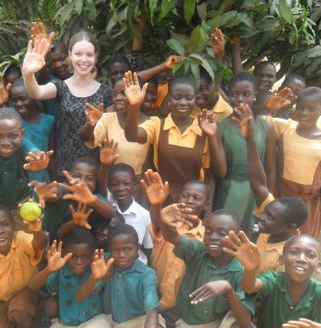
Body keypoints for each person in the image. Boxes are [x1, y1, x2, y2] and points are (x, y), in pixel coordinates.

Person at [79, 224, 167, 328]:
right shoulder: (106, 263)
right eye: (115, 250)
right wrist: (99, 274)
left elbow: (152, 312)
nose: (121, 255)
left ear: (138, 248)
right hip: (116, 324)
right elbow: (87, 292)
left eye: (128, 249)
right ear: (108, 250)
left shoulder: (147, 274)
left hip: (142, 319)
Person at [22, 29, 114, 179]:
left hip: (95, 169)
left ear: (95, 58)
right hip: (66, 167)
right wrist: (27, 73)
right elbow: (36, 92)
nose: (84, 60)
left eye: (89, 55)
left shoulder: (106, 92)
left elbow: (111, 134)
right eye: (78, 54)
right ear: (70, 56)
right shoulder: (61, 87)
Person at [25, 231, 112, 328]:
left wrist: (95, 278)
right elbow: (32, 286)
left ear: (92, 254)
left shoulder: (98, 267)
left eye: (84, 257)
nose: (79, 262)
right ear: (65, 253)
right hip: (66, 324)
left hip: (94, 320)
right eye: (73, 257)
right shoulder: (59, 269)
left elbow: (80, 296)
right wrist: (49, 269)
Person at [236, 102, 308, 273]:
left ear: (290, 227)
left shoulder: (287, 258)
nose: (262, 217)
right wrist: (250, 139)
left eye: (270, 218)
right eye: (266, 212)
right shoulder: (274, 218)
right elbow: (258, 183)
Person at [123, 72, 215, 204]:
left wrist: (207, 210)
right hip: (160, 198)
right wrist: (134, 106)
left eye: (189, 98)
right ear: (169, 100)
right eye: (177, 97)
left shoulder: (204, 129)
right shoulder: (157, 125)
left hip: (192, 202)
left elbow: (209, 176)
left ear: (195, 100)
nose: (183, 102)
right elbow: (132, 136)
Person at [265, 87, 321, 238]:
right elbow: (259, 121)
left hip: (307, 204)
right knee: (273, 238)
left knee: (300, 240)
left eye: (311, 109)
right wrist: (269, 109)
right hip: (281, 197)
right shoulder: (285, 128)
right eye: (300, 108)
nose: (304, 113)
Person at [141, 170, 209, 321]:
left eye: (197, 198)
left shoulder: (205, 238)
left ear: (207, 204)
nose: (190, 200)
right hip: (153, 296)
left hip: (179, 306)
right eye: (185, 195)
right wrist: (156, 205)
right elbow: (158, 223)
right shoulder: (170, 224)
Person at [207, 72, 268, 235]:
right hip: (230, 190)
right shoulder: (220, 126)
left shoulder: (266, 126)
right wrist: (212, 137)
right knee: (227, 234)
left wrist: (271, 199)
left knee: (253, 233)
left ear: (255, 95)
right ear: (228, 96)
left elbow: (271, 168)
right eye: (234, 94)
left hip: (258, 191)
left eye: (246, 94)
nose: (240, 99)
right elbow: (220, 172)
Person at [46, 156, 114, 241]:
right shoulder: (64, 189)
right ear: (69, 175)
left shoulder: (94, 196)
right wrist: (46, 192)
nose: (82, 183)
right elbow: (54, 192)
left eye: (89, 179)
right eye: (77, 176)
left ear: (96, 182)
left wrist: (94, 201)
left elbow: (111, 212)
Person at [9, 78, 55, 183]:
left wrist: (54, 181)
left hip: (41, 177)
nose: (18, 104)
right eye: (15, 100)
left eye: (23, 99)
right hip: (18, 178)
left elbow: (52, 155)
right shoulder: (11, 117)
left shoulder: (49, 121)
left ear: (35, 97)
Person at [105, 163, 153, 264]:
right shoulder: (105, 206)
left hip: (137, 265)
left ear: (134, 186)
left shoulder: (144, 215)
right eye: (115, 184)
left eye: (126, 183)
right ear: (109, 187)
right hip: (110, 263)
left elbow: (149, 248)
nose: (121, 188)